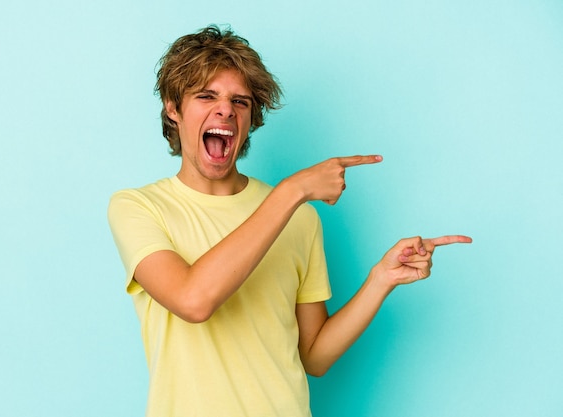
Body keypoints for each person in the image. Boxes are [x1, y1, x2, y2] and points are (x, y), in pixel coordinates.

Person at [108, 25, 471, 417]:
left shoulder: (299, 219)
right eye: (206, 96)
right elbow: (193, 301)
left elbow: (314, 356)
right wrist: (293, 190)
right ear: (173, 108)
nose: (225, 110)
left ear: (250, 118)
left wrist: (381, 279)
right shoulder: (139, 207)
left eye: (240, 102)